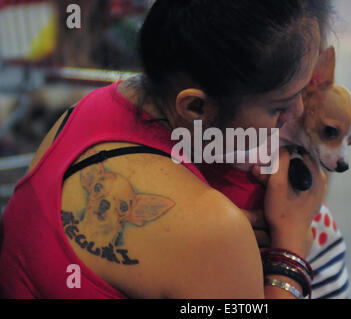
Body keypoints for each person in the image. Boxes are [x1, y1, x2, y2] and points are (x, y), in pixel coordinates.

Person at [0, 0, 332, 298]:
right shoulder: (213, 229)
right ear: (196, 108)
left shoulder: (97, 102)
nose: (299, 113)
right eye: (279, 107)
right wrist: (291, 243)